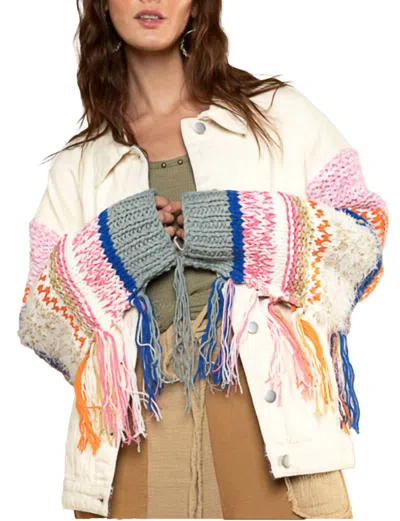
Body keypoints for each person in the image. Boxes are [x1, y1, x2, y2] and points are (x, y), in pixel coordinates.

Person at [17, 0, 388, 519]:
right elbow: (40, 323)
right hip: (135, 438)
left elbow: (365, 235)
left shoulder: (277, 115)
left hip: (273, 427)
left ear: (197, 6)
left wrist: (245, 228)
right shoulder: (79, 165)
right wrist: (110, 252)